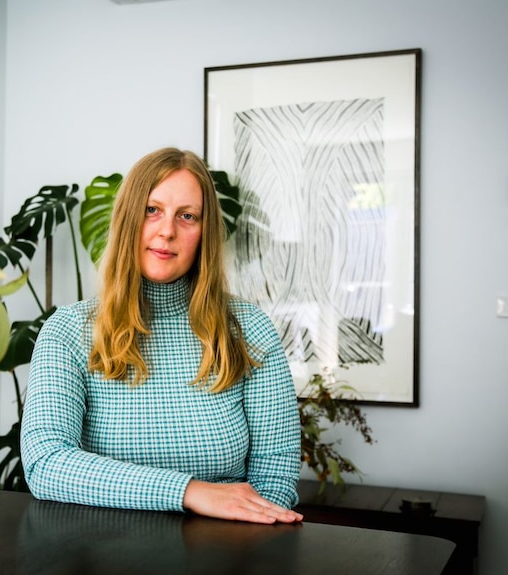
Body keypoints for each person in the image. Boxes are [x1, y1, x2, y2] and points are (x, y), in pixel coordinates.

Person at [21, 147, 303, 525]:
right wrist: (189, 491)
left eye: (187, 216)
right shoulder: (68, 332)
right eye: (151, 210)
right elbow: (46, 463)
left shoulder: (249, 329)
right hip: (101, 552)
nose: (167, 230)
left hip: (224, 552)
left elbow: (275, 477)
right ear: (127, 220)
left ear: (205, 234)